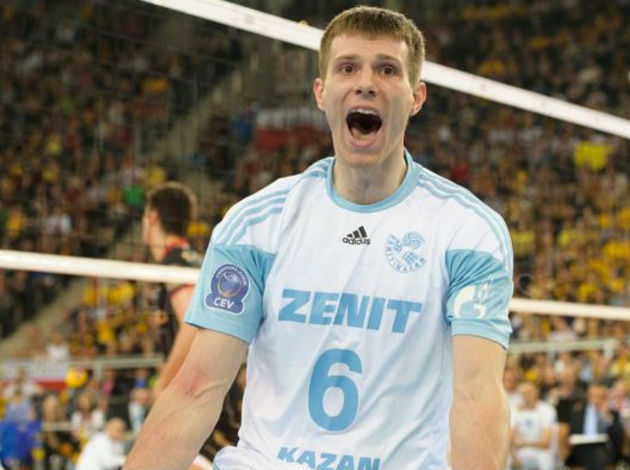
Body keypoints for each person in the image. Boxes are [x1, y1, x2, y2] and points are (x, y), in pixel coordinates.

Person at [125, 6, 513, 470]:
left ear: (416, 97)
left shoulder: (466, 231)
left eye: (387, 69)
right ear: (321, 92)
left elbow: (477, 398)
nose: (366, 83)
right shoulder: (257, 224)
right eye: (347, 67)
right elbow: (195, 390)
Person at [141, 182, 203, 393]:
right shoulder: (194, 259)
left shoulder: (176, 262)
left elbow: (192, 326)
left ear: (154, 217)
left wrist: (164, 382)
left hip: (194, 391)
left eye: (144, 216)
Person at [510, 382, 556, 470]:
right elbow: (511, 438)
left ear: (536, 393)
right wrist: (514, 457)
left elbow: (546, 442)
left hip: (540, 451)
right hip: (520, 452)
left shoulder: (547, 410)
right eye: (523, 393)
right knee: (507, 460)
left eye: (529, 393)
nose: (526, 396)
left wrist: (524, 443)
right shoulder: (513, 411)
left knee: (544, 460)